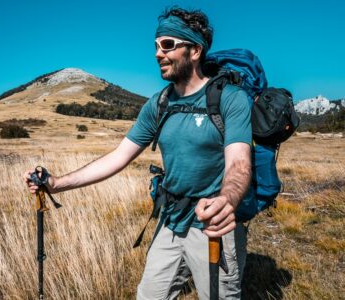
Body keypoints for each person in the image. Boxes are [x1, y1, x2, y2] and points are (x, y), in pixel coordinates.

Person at [24, 7, 251, 300]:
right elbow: (118, 157)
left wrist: (226, 200)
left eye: (168, 45)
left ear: (195, 50)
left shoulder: (230, 99)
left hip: (212, 226)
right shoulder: (159, 104)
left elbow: (240, 165)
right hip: (170, 220)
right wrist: (56, 183)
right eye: (156, 45)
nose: (158, 53)